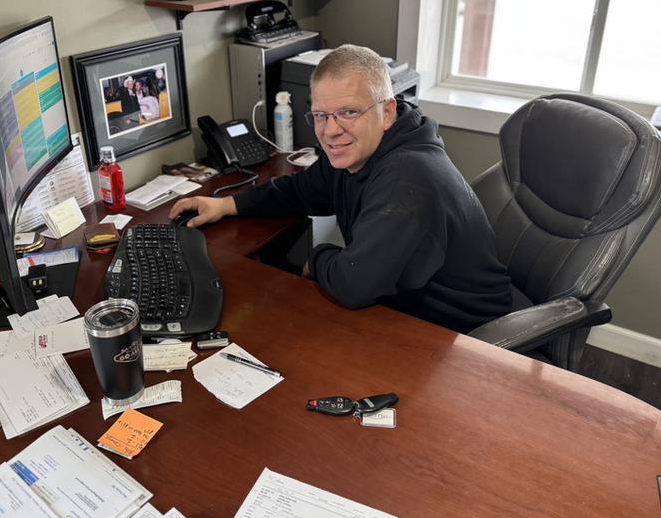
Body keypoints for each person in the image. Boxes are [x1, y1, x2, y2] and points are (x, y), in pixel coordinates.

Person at [170, 44, 512, 332]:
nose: (330, 130)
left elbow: (354, 284)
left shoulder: (407, 179)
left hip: (461, 333)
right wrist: (227, 204)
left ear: (387, 111)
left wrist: (315, 260)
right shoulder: (357, 152)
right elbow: (303, 188)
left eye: (349, 112)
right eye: (320, 115)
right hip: (410, 305)